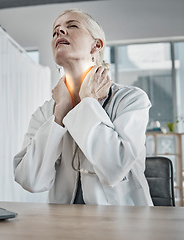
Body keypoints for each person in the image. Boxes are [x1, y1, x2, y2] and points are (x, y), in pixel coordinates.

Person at [13, 9, 153, 206]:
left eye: (72, 26)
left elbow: (114, 167)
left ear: (96, 45)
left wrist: (87, 101)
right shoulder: (45, 113)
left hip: (124, 226)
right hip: (62, 228)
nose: (59, 31)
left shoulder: (131, 100)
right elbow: (30, 181)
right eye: (55, 31)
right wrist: (59, 114)